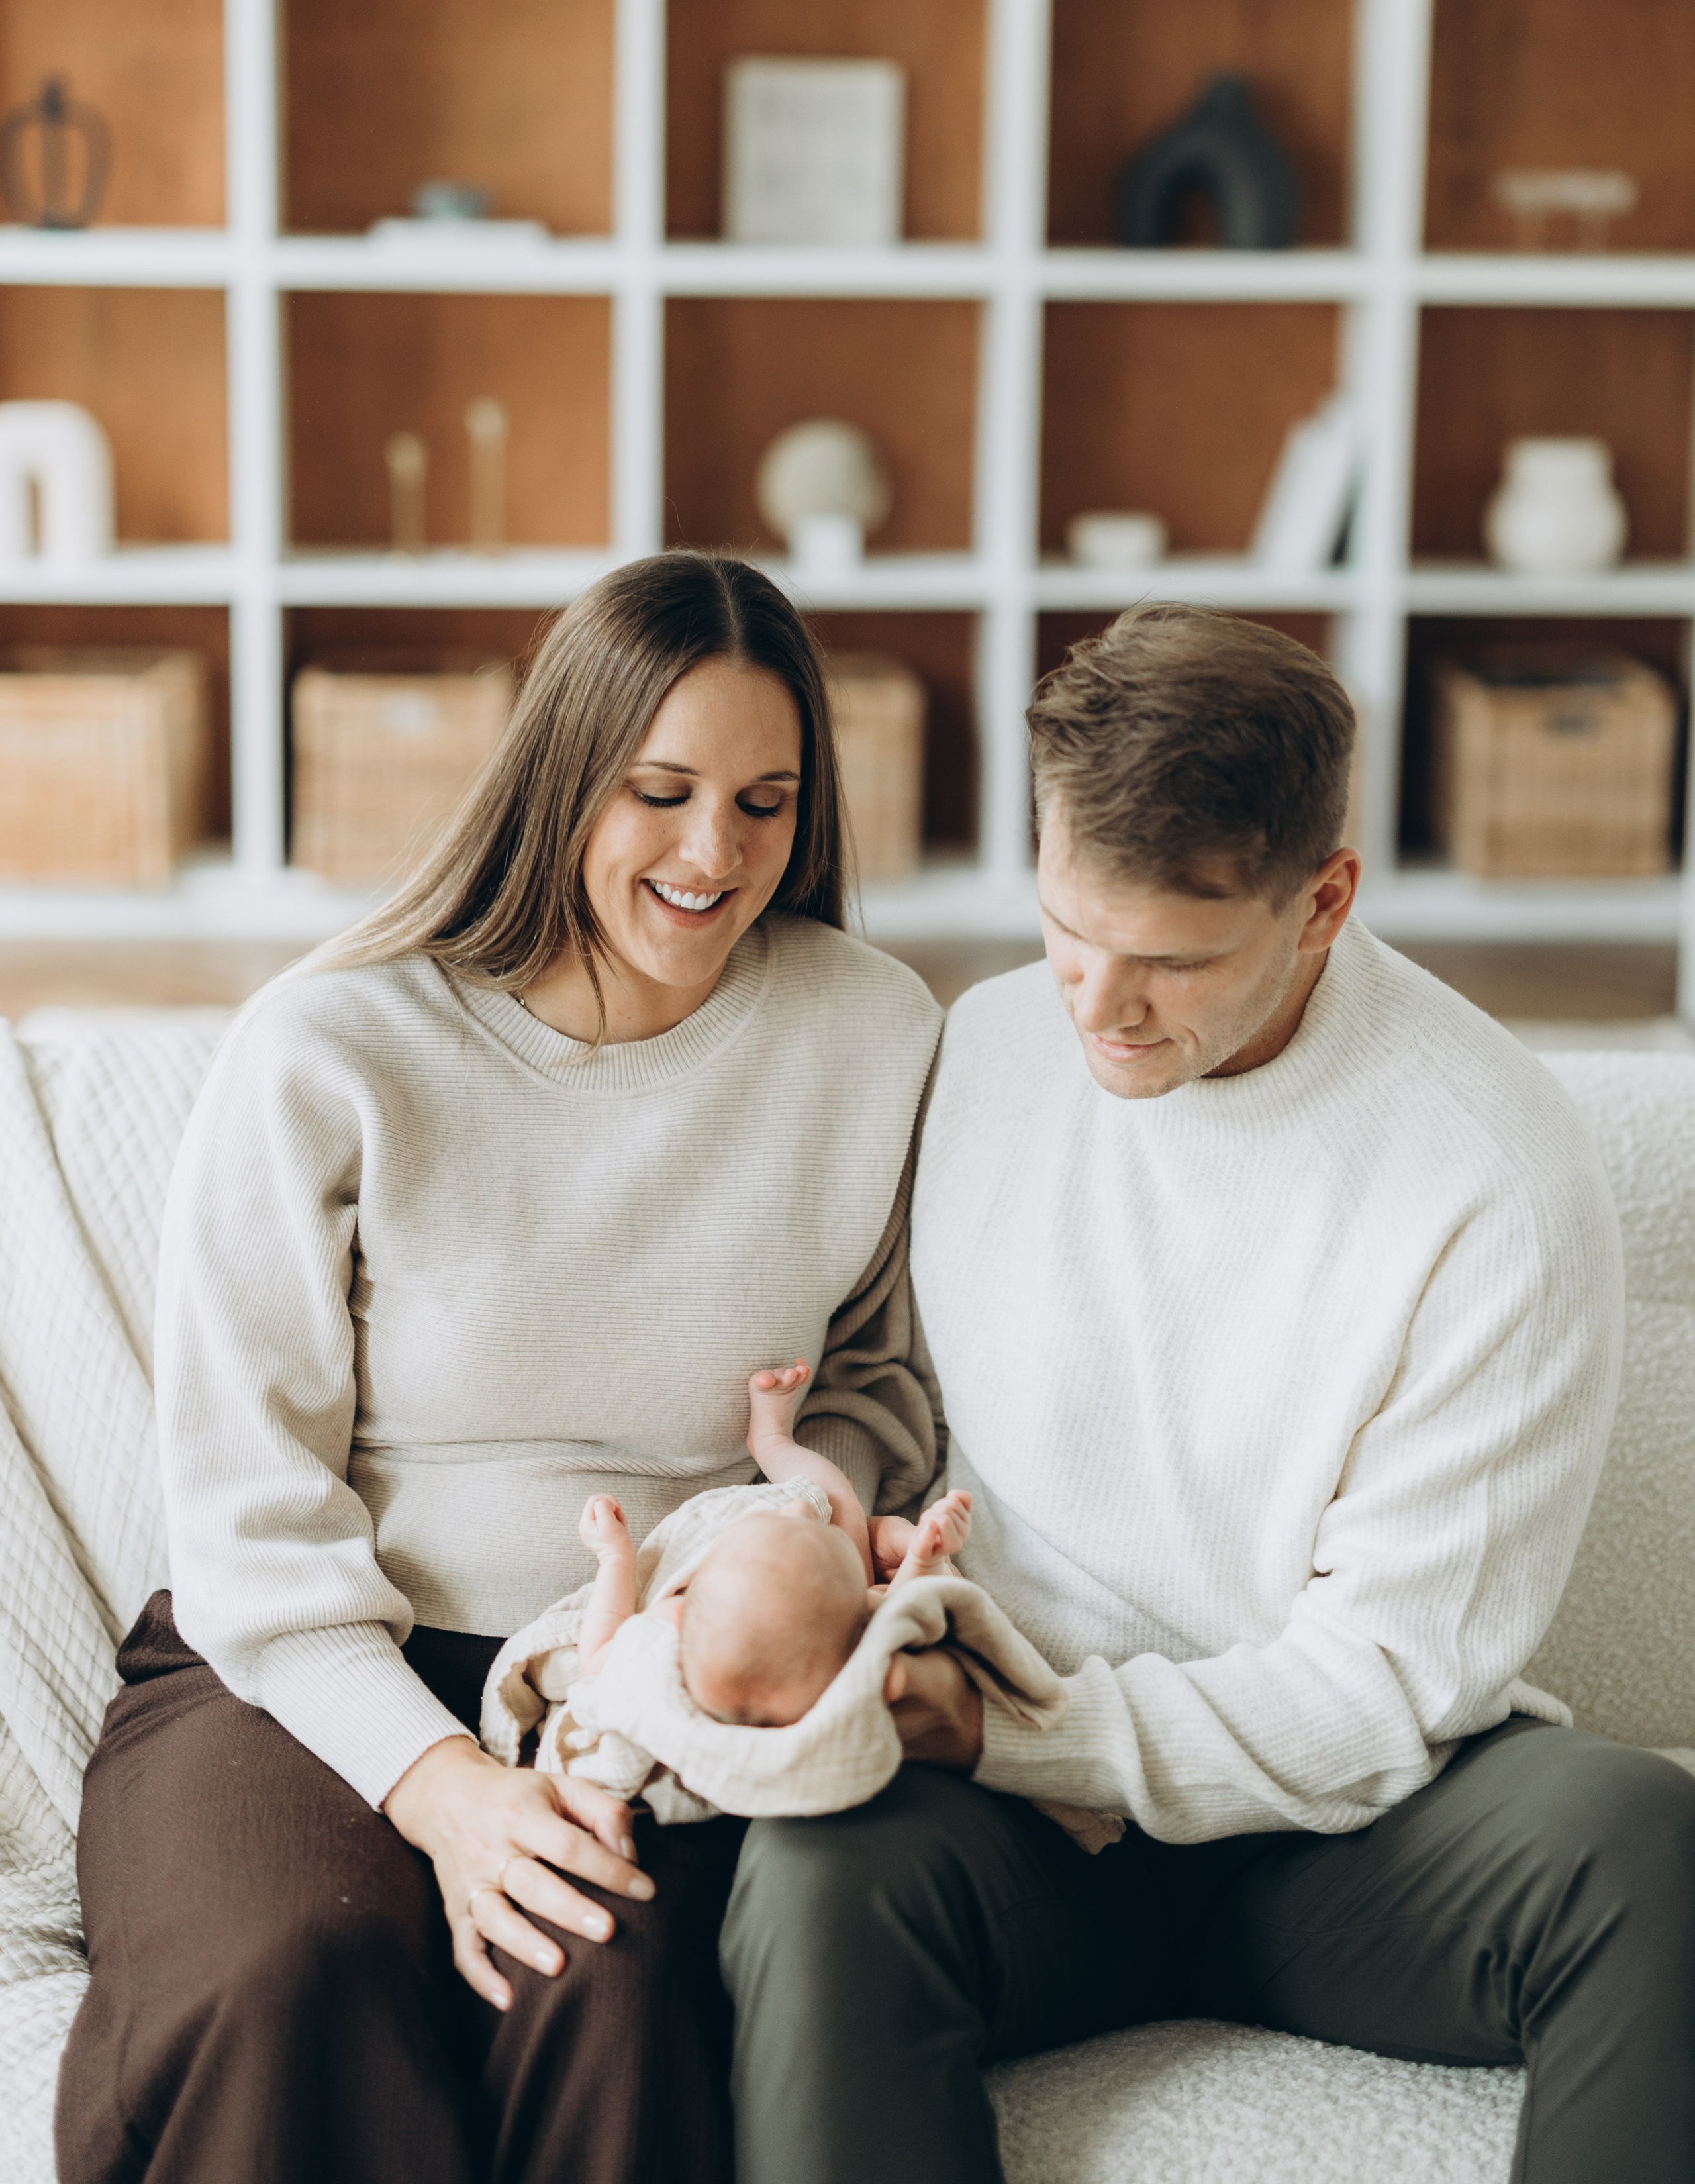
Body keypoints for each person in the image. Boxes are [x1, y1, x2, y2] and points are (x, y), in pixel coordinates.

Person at [724, 605, 1695, 2184]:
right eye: (1062, 931)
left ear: (1321, 901)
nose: (1097, 1010)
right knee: (815, 1870)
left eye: (1171, 960)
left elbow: (1386, 1676)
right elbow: (887, 1393)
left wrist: (1027, 1732)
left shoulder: (1489, 1176)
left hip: (1348, 1830)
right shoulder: (984, 1048)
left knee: (1642, 1846)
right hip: (1017, 1808)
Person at [56, 552, 943, 2184]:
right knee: (291, 1967)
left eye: (765, 801)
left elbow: (878, 1375)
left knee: (610, 1974)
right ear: (558, 780)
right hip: (301, 1663)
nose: (714, 855)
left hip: (644, 1688)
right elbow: (245, 1507)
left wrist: (780, 1548)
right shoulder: (335, 1043)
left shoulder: (871, 1031)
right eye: (660, 792)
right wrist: (444, 1785)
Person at [573, 1362, 973, 1724]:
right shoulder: (847, 1641)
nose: (797, 1505)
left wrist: (614, 1557)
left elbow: (595, 1656)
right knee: (834, 1496)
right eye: (821, 1531)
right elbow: (896, 1617)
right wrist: (923, 1559)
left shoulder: (670, 1628)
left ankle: (770, 1441)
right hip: (847, 1612)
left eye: (773, 1519)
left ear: (685, 1608)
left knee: (827, 1501)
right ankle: (771, 1441)